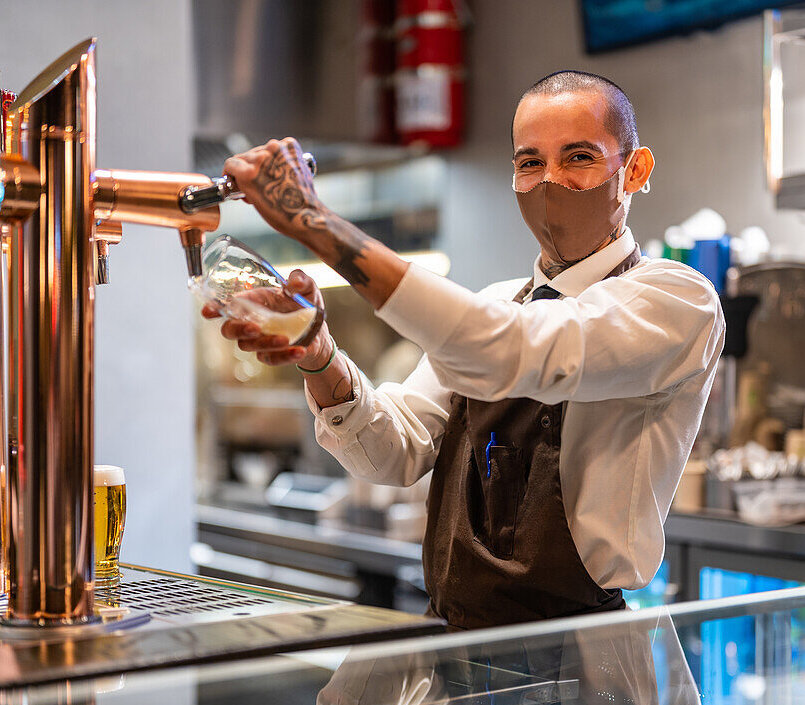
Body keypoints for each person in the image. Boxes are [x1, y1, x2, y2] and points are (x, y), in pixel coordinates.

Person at [206, 70, 725, 630]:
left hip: (584, 657)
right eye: (530, 163)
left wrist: (320, 227)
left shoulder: (675, 299)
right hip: (454, 651)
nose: (549, 182)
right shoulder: (500, 303)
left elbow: (519, 352)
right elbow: (394, 451)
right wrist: (320, 355)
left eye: (578, 157)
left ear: (635, 170)